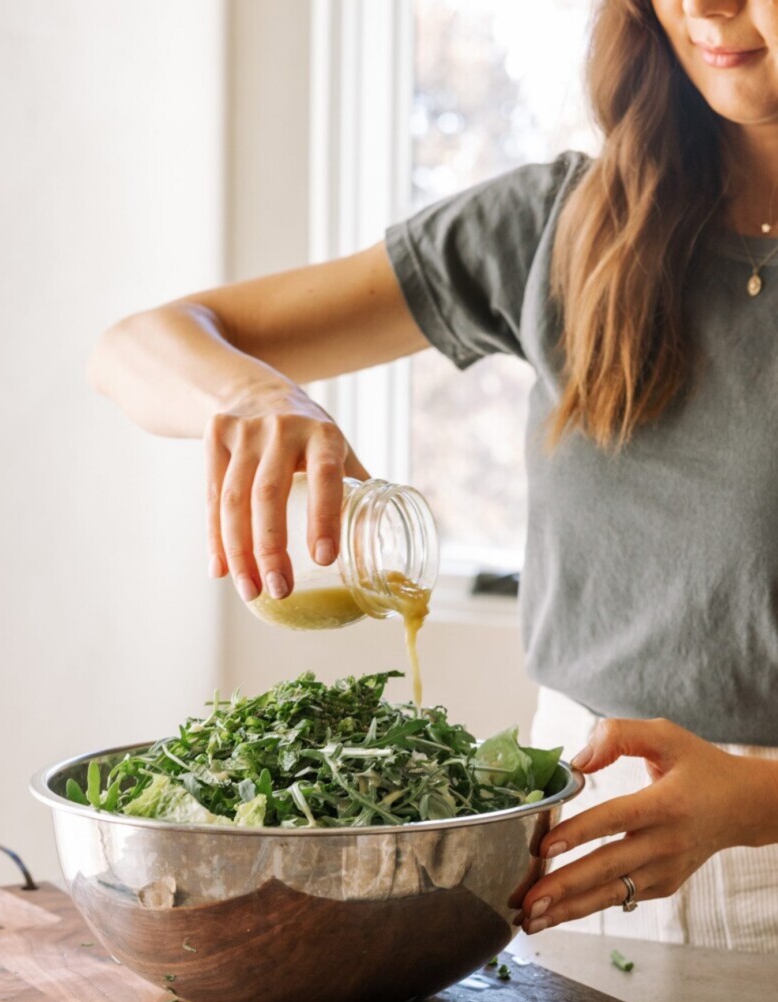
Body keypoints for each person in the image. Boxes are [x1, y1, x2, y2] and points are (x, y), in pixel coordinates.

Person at [89, 0, 778, 952]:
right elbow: (138, 346)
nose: (705, 5)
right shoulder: (565, 225)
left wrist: (754, 801)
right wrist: (252, 399)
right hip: (569, 852)